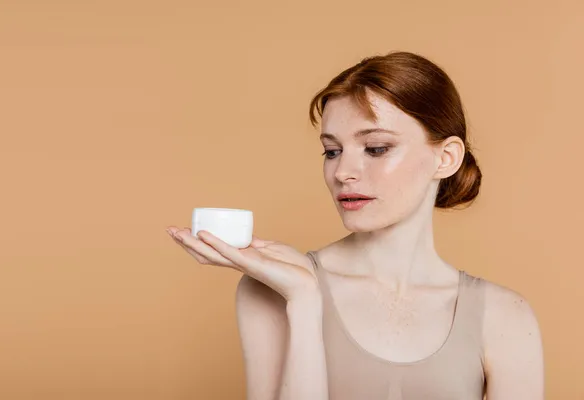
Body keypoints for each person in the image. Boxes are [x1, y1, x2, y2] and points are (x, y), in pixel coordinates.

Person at [165, 51, 544, 400]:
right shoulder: (271, 291)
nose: (343, 172)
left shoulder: (504, 316)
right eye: (332, 151)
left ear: (446, 158)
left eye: (376, 148)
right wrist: (304, 301)